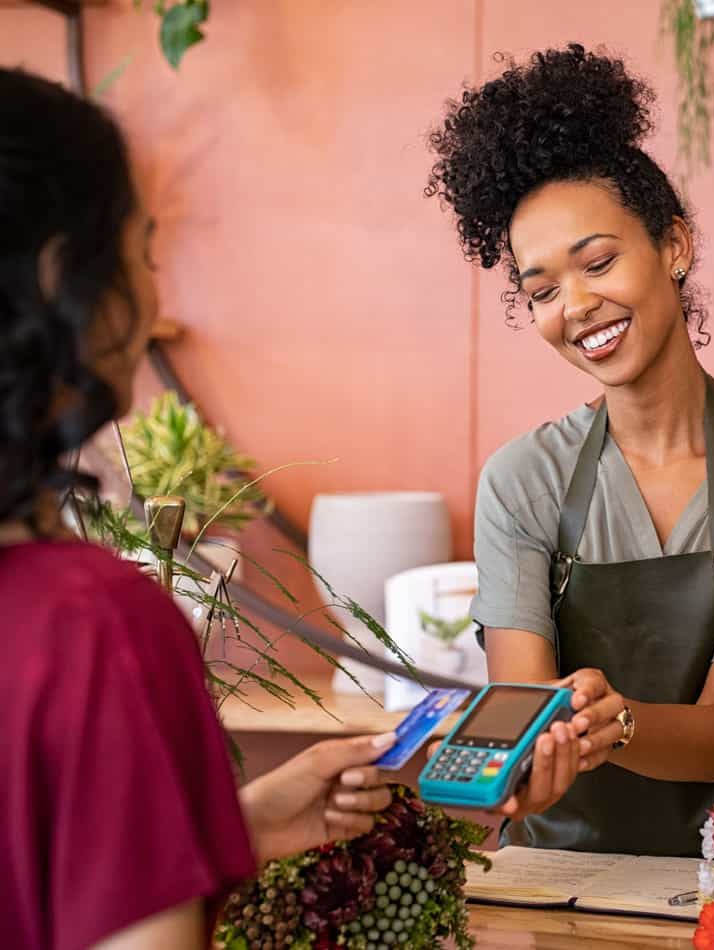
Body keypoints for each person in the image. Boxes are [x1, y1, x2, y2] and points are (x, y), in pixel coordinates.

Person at [0, 68, 400, 950]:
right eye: (143, 253)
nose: (153, 299)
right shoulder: (97, 625)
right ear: (65, 275)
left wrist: (233, 828)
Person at [426, 44, 714, 856]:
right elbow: (521, 708)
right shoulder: (522, 480)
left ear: (675, 247)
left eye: (599, 261)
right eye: (542, 290)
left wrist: (607, 719)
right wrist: (523, 758)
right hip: (566, 889)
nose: (576, 306)